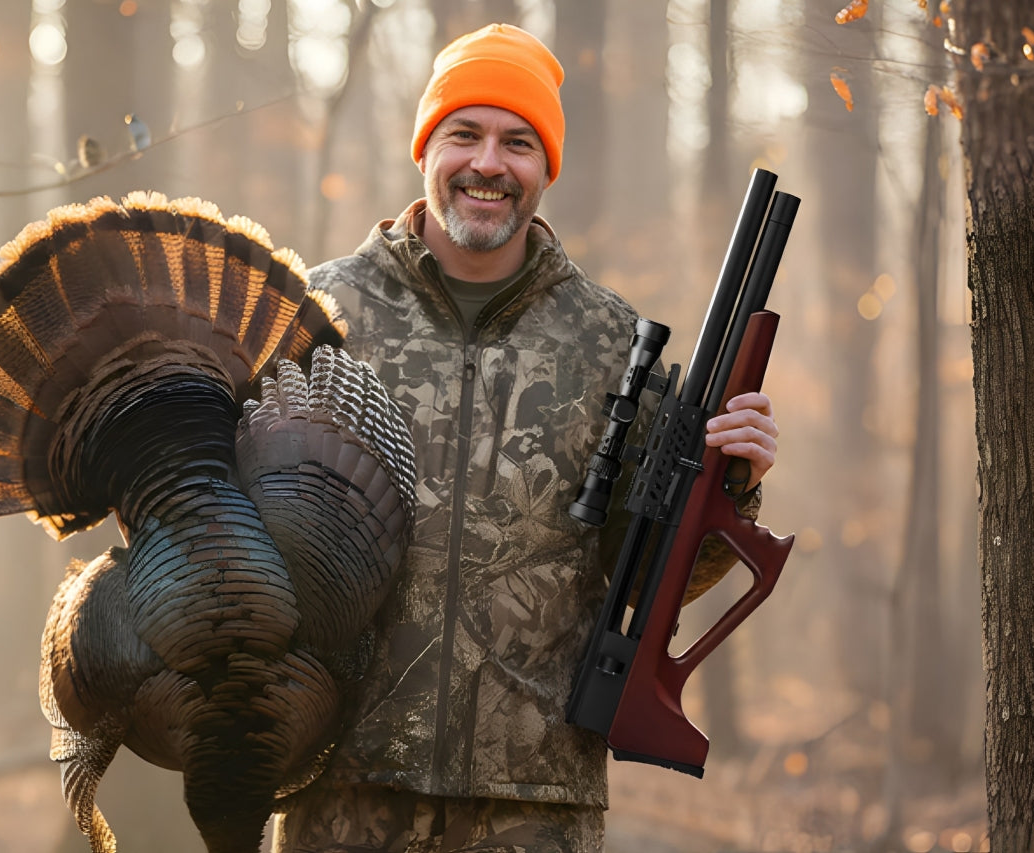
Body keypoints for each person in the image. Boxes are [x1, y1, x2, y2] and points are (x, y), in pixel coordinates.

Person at [272, 23, 779, 853]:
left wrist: (733, 484)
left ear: (545, 168)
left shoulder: (613, 342)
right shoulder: (317, 314)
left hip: (535, 805)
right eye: (463, 134)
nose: (488, 164)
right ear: (424, 149)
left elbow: (654, 576)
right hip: (339, 789)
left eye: (518, 141)